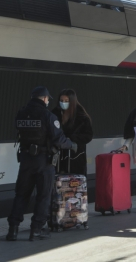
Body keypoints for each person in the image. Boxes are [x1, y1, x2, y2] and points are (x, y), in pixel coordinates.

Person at [6, 86, 77, 242]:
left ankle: (13, 230)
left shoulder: (21, 113)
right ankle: (36, 230)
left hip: (25, 160)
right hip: (43, 161)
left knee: (21, 194)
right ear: (44, 99)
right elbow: (59, 139)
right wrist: (71, 144)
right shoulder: (48, 116)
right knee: (43, 195)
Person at [51, 89, 93, 176]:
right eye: (61, 101)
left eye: (66, 101)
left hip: (75, 156)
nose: (63, 103)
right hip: (58, 156)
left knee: (74, 185)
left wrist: (72, 138)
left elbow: (88, 136)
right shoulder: (54, 114)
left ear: (72, 101)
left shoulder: (82, 116)